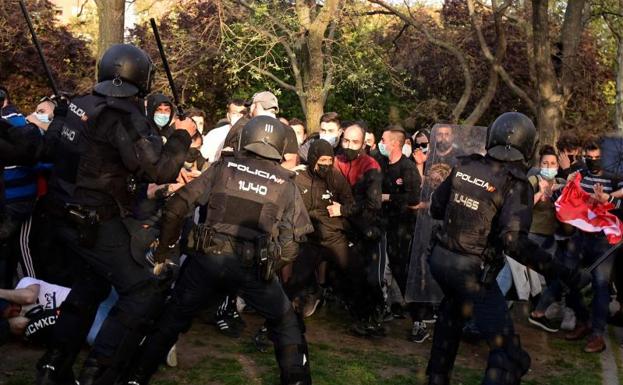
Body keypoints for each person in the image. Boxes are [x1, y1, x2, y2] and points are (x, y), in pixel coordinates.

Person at [35, 43, 196, 385]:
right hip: (94, 220)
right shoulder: (124, 116)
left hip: (59, 215)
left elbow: (48, 147)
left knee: (90, 284)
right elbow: (160, 171)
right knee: (142, 289)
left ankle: (53, 367)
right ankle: (99, 372)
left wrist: (61, 116)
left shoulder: (77, 104)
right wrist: (183, 135)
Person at [124, 116, 314, 385]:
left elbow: (176, 207)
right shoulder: (286, 182)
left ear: (244, 139)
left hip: (206, 261)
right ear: (281, 146)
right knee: (285, 324)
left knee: (171, 319)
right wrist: (270, 266)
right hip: (252, 267)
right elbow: (293, 242)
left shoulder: (222, 168)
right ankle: (296, 380)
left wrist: (164, 252)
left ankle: (135, 377)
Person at [425, 112, 585, 385]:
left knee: (450, 319)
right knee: (510, 354)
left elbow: (437, 208)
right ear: (527, 146)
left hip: (441, 260)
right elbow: (514, 242)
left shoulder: (465, 166)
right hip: (472, 272)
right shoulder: (515, 183)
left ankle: (435, 379)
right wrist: (565, 273)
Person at [562, 139, 622, 353]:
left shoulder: (614, 176)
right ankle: (582, 320)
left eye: (598, 158)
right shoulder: (581, 173)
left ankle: (597, 334)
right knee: (567, 276)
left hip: (603, 239)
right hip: (580, 235)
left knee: (600, 284)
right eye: (591, 158)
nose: (594, 162)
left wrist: (608, 198)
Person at [283, 139, 354, 317]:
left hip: (333, 236)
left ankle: (366, 314)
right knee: (296, 279)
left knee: (353, 271)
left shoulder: (335, 177)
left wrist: (342, 211)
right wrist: (288, 173)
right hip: (309, 239)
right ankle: (282, 314)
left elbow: (350, 203)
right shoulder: (299, 178)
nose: (326, 165)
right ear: (313, 159)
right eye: (322, 161)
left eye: (329, 161)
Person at [327, 122, 385, 336]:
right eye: (346, 140)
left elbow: (373, 204)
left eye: (355, 142)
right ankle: (358, 313)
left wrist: (344, 209)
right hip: (346, 228)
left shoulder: (371, 166)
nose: (349, 146)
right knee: (349, 273)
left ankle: (375, 317)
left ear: (363, 144)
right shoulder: (336, 161)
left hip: (369, 229)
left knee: (371, 277)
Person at [378, 125, 421, 318]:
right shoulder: (383, 164)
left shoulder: (407, 168)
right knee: (385, 267)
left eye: (384, 140)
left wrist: (388, 197)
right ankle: (387, 306)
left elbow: (414, 199)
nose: (381, 144)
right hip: (385, 224)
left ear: (394, 143)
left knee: (400, 268)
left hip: (402, 228)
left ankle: (418, 315)